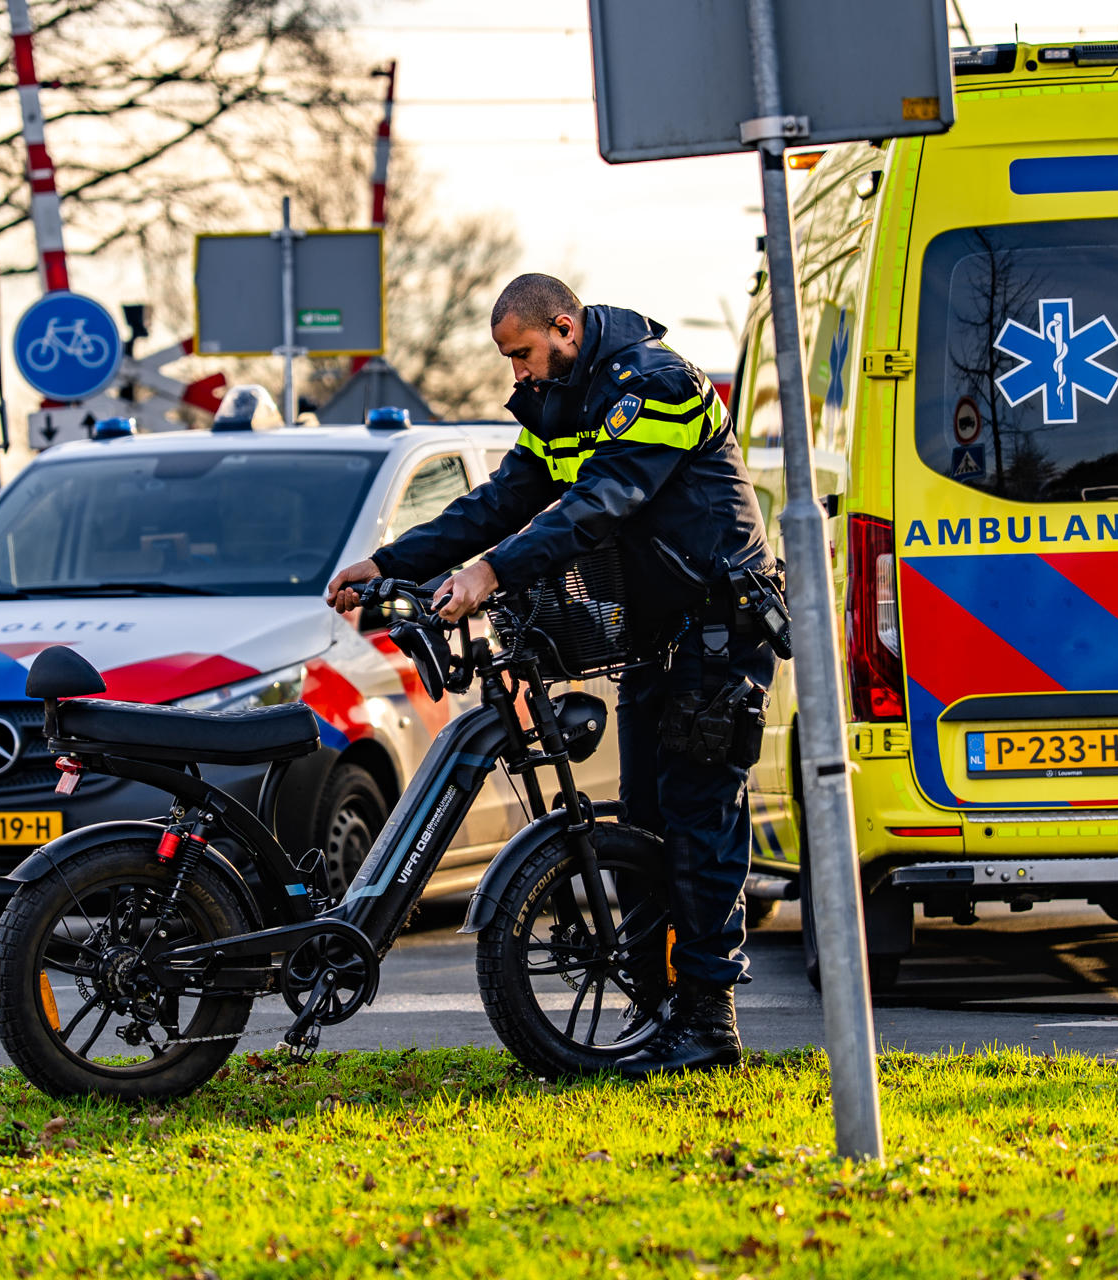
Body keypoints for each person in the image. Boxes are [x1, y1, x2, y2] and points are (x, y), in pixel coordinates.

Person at [326, 273, 782, 1075]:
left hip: (719, 627)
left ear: (565, 328)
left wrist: (490, 576)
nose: (517, 375)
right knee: (646, 824)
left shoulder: (659, 383)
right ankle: (656, 1015)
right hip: (656, 636)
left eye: (523, 355)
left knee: (700, 819)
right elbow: (502, 501)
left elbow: (604, 500)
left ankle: (709, 1025)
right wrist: (388, 561)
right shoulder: (559, 399)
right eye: (508, 360)